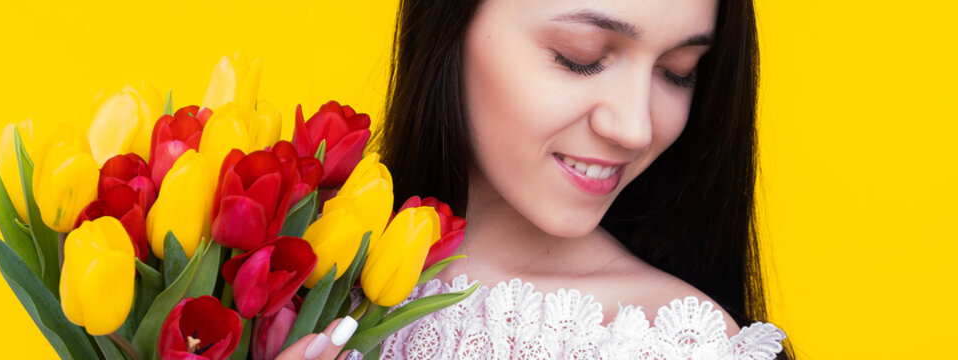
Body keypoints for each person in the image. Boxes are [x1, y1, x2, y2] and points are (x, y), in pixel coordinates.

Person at [279, 0, 794, 358]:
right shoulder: (282, 271)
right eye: (581, 57)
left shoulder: (677, 340)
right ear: (449, 26)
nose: (636, 128)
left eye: (678, 71)